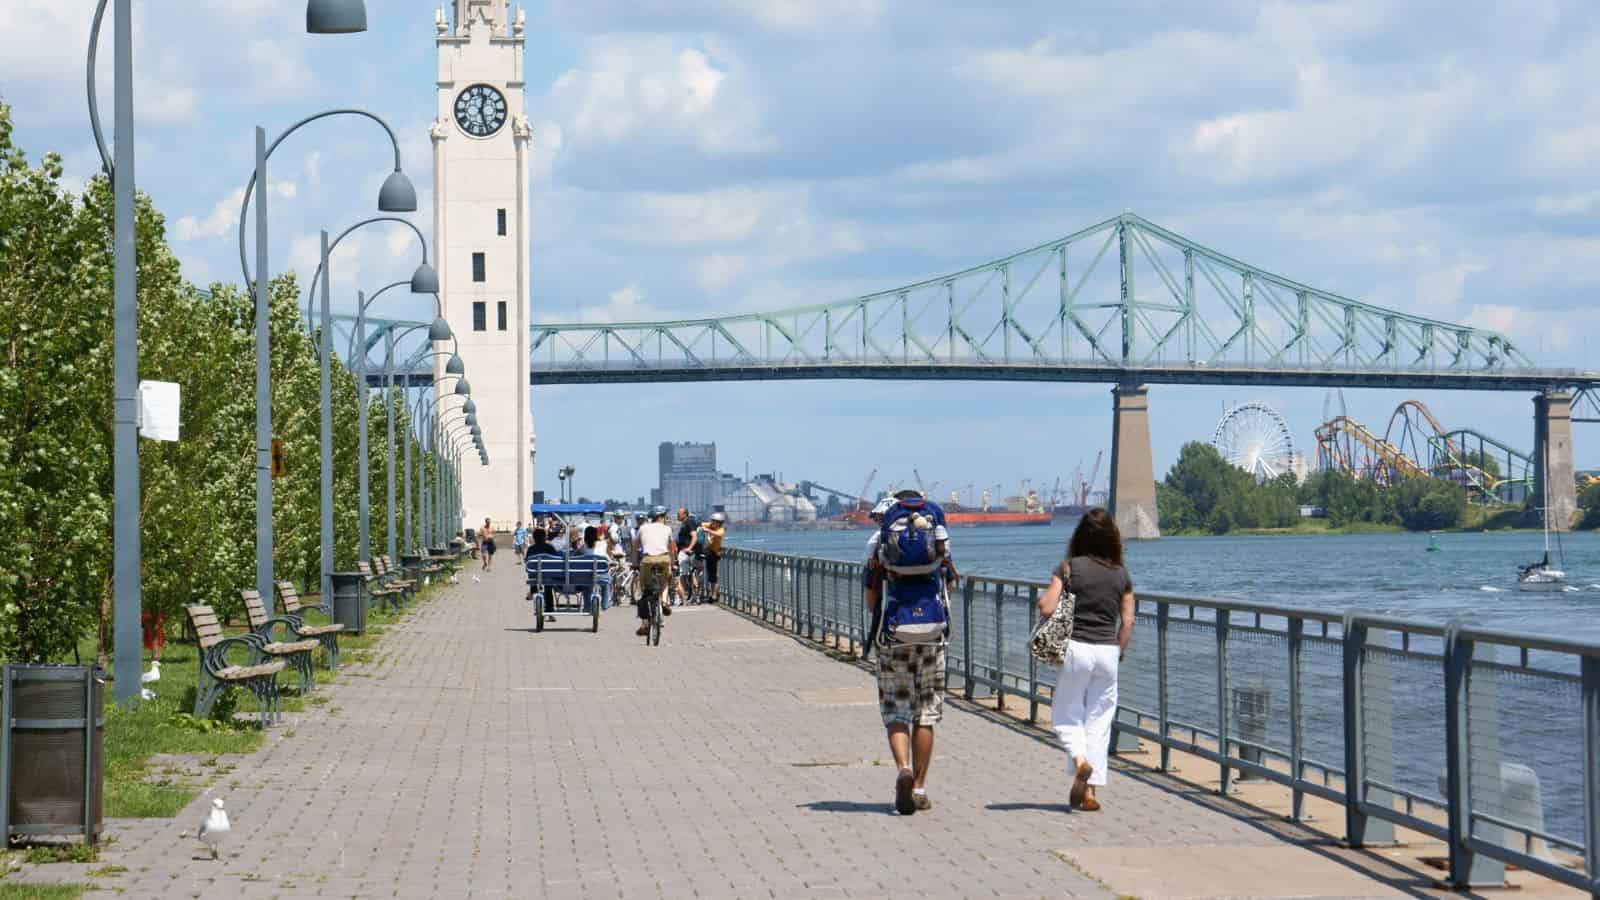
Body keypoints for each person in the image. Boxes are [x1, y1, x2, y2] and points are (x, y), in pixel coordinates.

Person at [1036, 507, 1135, 813]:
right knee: (1099, 722)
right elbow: (1128, 620)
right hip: (1107, 651)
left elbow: (1046, 607)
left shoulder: (1069, 568)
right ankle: (1089, 793)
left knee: (1067, 715)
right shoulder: (1121, 574)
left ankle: (1080, 762)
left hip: (1077, 649)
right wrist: (1120, 648)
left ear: (1080, 535)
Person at [864, 490, 951, 816]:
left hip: (894, 633)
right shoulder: (938, 537)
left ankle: (903, 769)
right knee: (925, 714)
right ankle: (919, 788)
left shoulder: (879, 542)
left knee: (896, 711)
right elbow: (949, 584)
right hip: (932, 635)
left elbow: (872, 597)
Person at [635, 507, 676, 636]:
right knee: (665, 582)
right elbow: (672, 549)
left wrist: (635, 563)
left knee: (642, 590)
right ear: (662, 517)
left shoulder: (643, 528)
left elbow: (635, 546)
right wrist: (673, 564)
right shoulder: (668, 529)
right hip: (664, 559)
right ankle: (664, 602)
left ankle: (645, 624)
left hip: (647, 560)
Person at [697, 513, 727, 603]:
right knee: (710, 575)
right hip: (708, 552)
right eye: (712, 521)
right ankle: (714, 593)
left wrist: (707, 530)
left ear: (719, 523)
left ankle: (714, 595)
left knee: (713, 576)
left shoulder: (721, 530)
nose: (712, 523)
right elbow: (700, 524)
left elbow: (717, 534)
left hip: (715, 554)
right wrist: (700, 527)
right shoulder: (710, 525)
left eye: (715, 521)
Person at [675, 507, 699, 604]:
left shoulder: (689, 522)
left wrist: (689, 548)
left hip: (687, 553)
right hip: (687, 552)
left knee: (682, 575)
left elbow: (694, 536)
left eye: (679, 514)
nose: (677, 515)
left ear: (685, 514)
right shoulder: (685, 523)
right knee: (691, 575)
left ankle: (682, 597)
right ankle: (693, 597)